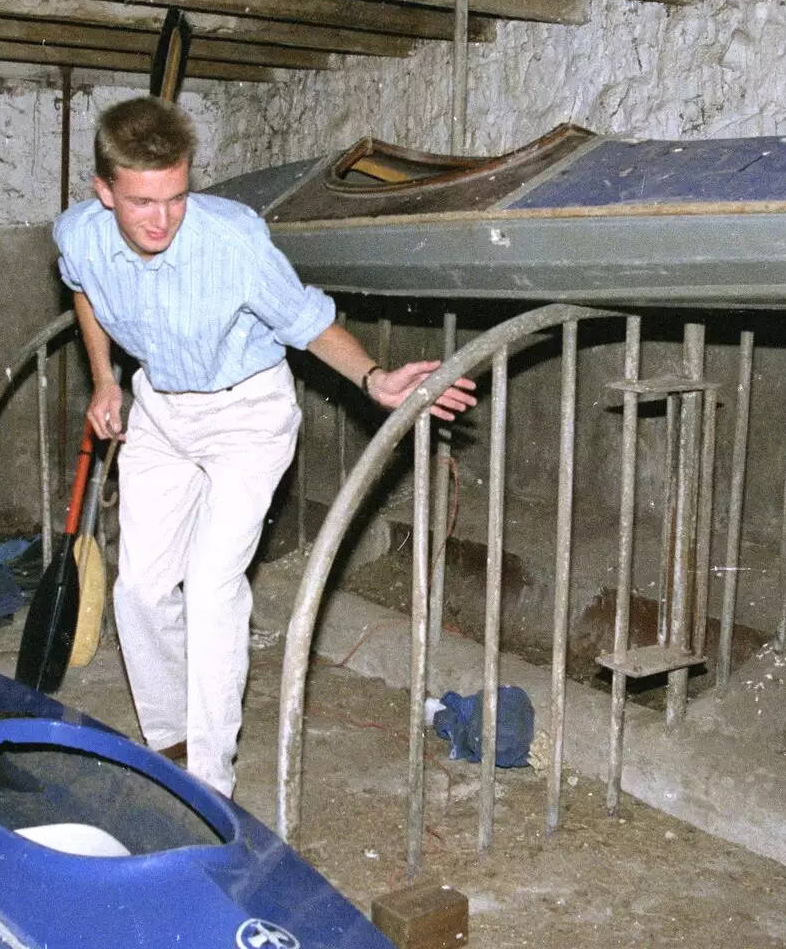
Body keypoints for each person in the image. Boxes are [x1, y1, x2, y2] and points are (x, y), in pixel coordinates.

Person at [55, 96, 476, 796]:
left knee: (213, 584)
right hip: (160, 409)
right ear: (104, 193)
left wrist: (374, 378)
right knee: (140, 588)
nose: (161, 219)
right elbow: (85, 294)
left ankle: (209, 779)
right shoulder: (78, 234)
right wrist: (104, 380)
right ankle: (170, 738)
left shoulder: (233, 238)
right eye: (141, 203)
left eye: (176, 197)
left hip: (248, 413)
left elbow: (307, 321)